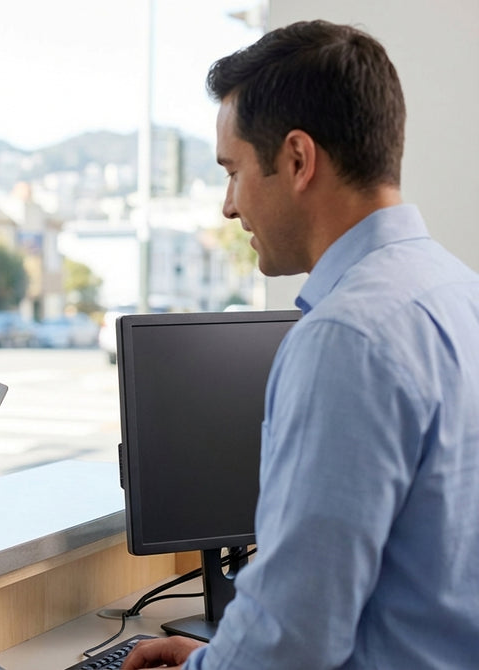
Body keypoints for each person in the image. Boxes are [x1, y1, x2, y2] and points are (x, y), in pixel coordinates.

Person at [125, 20, 479, 669]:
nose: (230, 207)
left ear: (296, 159)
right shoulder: (459, 291)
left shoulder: (348, 338)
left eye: (233, 172)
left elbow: (293, 636)